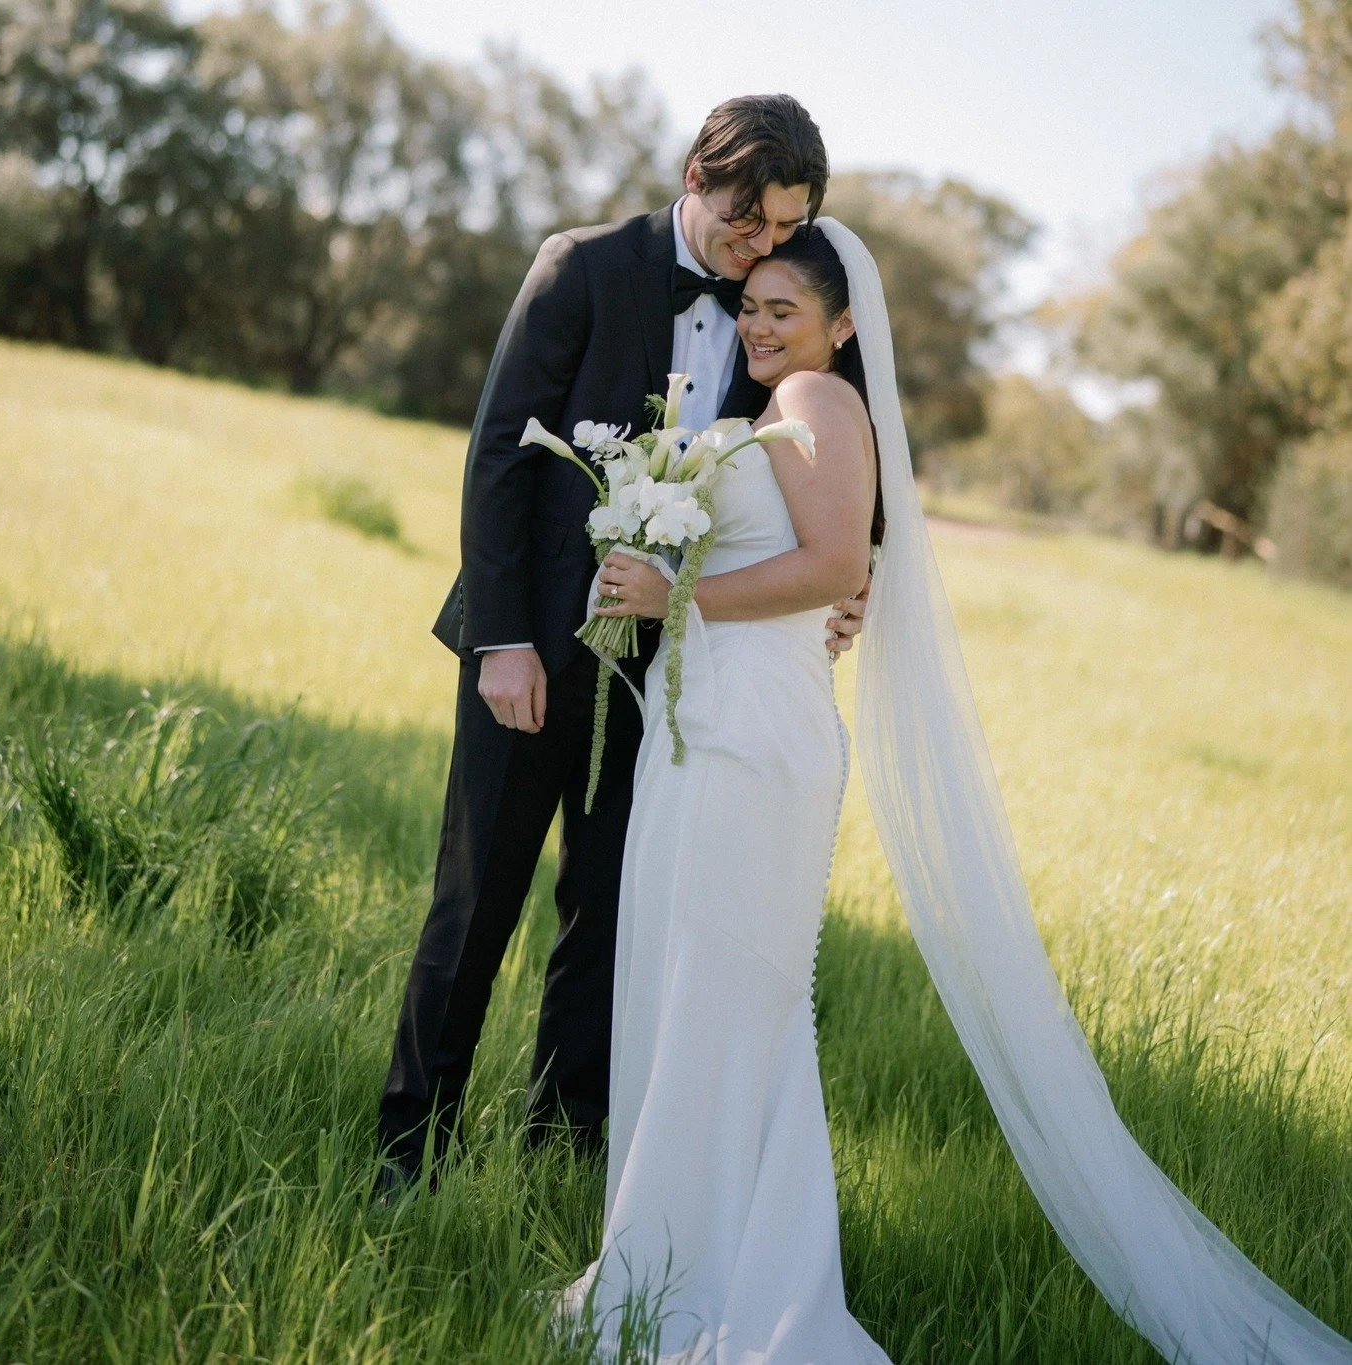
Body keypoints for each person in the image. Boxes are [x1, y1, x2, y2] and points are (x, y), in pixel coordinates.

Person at [557, 222, 1352, 1363]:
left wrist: (671, 593)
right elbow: (820, 560)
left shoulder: (821, 403)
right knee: (697, 1000)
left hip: (753, 742)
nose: (761, 324)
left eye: (786, 308)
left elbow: (835, 567)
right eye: (753, 305)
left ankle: (713, 1283)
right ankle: (665, 1258)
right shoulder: (781, 411)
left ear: (840, 324)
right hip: (708, 726)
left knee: (729, 1007)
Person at [375, 95, 866, 1190]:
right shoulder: (582, 266)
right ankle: (409, 1151)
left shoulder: (774, 316)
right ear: (698, 174)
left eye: (786, 226)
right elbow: (502, 456)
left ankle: (563, 1148)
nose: (764, 245)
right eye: (751, 217)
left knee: (609, 914)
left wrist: (853, 580)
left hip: (674, 675)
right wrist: (502, 640)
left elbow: (827, 468)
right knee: (476, 901)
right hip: (530, 656)